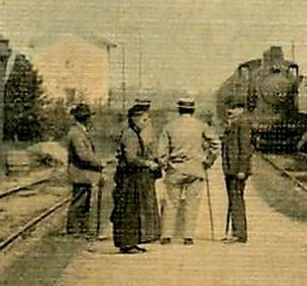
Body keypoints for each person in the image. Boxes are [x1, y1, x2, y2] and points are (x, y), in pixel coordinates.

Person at [157, 98, 217, 244]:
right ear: (193, 110)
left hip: (175, 169)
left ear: (179, 109)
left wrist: (165, 164)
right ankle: (188, 236)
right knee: (192, 204)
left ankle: (166, 236)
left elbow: (161, 151)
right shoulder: (201, 126)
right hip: (195, 169)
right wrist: (208, 161)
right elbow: (215, 145)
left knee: (171, 202)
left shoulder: (170, 127)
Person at [112, 101, 160, 254]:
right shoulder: (130, 135)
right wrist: (148, 164)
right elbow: (131, 159)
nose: (147, 123)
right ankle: (127, 243)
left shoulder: (133, 133)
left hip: (131, 177)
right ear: (134, 119)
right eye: (144, 120)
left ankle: (132, 242)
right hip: (128, 178)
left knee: (132, 210)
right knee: (128, 210)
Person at [64, 103, 104, 236]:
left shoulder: (80, 132)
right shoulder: (76, 134)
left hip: (83, 174)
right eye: (89, 117)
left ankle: (81, 229)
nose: (91, 120)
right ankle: (73, 229)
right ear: (85, 118)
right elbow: (83, 155)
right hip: (79, 173)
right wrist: (99, 162)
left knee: (84, 202)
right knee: (79, 202)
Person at [221, 100, 254, 243]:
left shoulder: (243, 124)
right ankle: (235, 232)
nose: (230, 111)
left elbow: (245, 149)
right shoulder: (233, 123)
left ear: (241, 109)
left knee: (236, 201)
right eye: (229, 108)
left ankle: (239, 234)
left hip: (237, 170)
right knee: (234, 200)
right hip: (230, 169)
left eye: (233, 108)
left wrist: (242, 169)